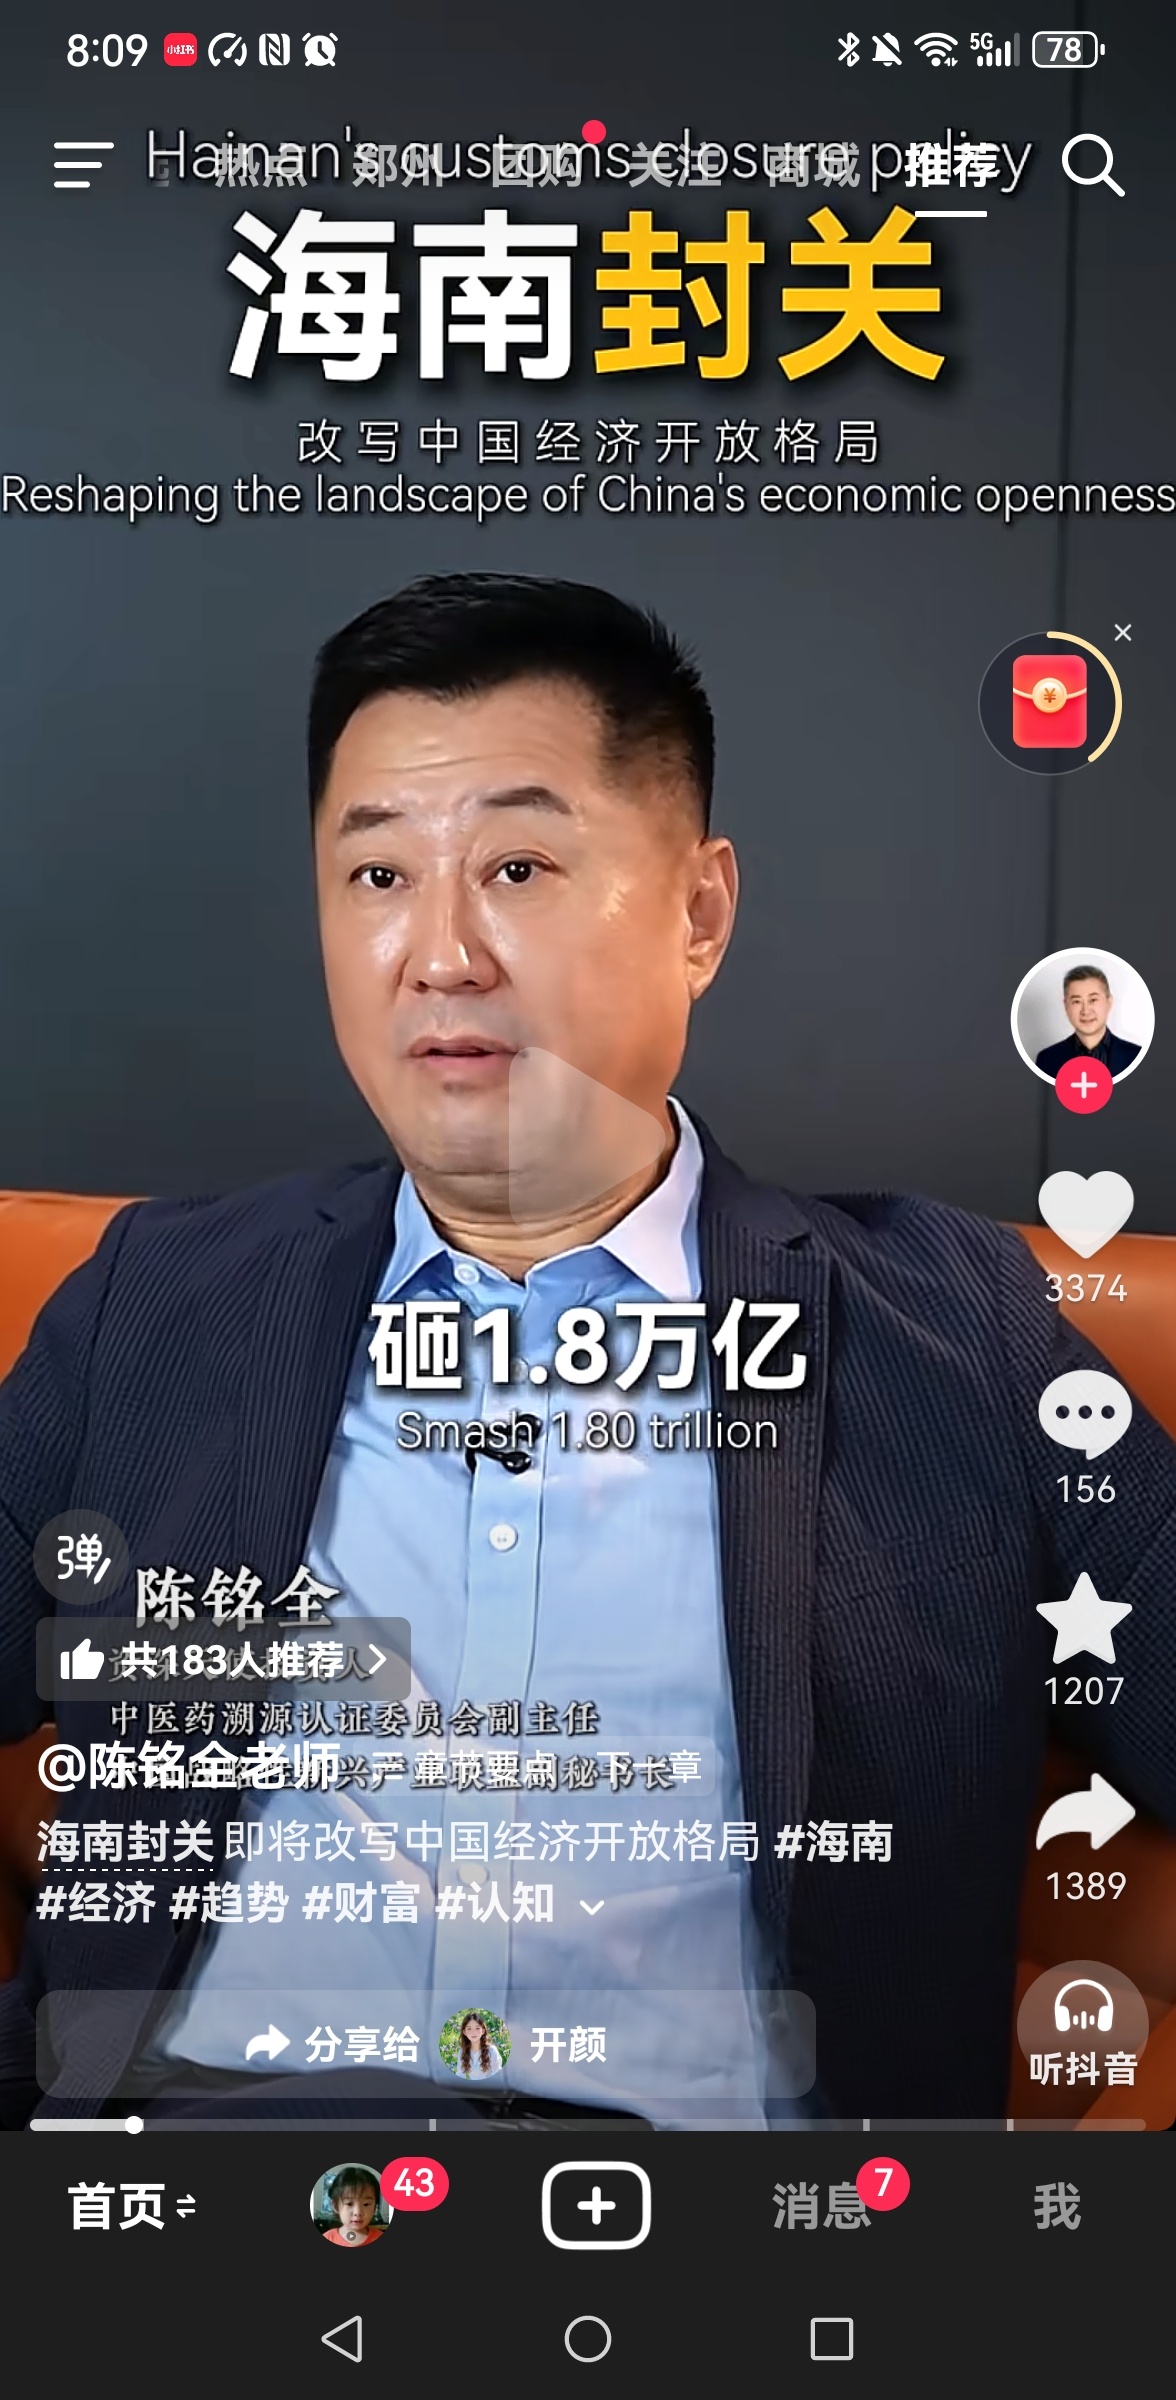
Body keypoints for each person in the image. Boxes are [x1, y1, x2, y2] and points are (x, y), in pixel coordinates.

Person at [2, 573, 1175, 2130]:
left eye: (519, 865)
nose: (439, 954)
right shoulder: (157, 1304)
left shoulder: (962, 1332)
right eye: (375, 874)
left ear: (700, 913)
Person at [1034, 964, 1142, 1079]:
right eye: (1076, 1001)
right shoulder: (1047, 1060)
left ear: (1109, 1002)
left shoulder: (1137, 1057)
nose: (1085, 1011)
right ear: (1066, 1006)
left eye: (1093, 1000)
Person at [320, 2165, 386, 2246]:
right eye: (349, 2204)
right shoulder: (328, 2238)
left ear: (375, 2207)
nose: (358, 2212)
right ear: (336, 2206)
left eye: (366, 2204)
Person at [451, 2015, 503, 2080]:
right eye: (469, 2028)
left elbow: (498, 2074)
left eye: (477, 2028)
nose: (473, 2032)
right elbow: (460, 2074)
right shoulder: (462, 2051)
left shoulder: (491, 2050)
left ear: (483, 2031)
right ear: (464, 2032)